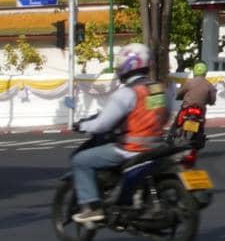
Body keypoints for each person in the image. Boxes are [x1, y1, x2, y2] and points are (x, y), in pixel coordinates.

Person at [69, 45, 168, 224]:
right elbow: (164, 114)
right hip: (157, 147)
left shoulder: (126, 93)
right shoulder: (156, 89)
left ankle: (92, 208)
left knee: (81, 160)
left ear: (127, 65)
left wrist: (83, 125)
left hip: (131, 149)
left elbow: (103, 124)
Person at [173, 62, 217, 162]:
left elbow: (179, 93)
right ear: (205, 73)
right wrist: (210, 102)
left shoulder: (189, 82)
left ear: (194, 72)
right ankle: (198, 137)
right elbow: (212, 100)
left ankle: (175, 133)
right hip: (199, 111)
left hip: (187, 108)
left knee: (177, 122)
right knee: (201, 125)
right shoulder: (209, 85)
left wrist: (179, 97)